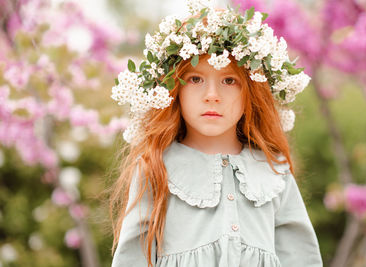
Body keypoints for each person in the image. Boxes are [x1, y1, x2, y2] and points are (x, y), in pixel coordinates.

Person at [109, 1, 323, 266]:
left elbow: (301, 257)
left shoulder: (273, 171)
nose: (212, 96)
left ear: (251, 91)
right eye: (196, 79)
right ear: (175, 88)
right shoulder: (156, 167)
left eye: (229, 80)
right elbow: (133, 257)